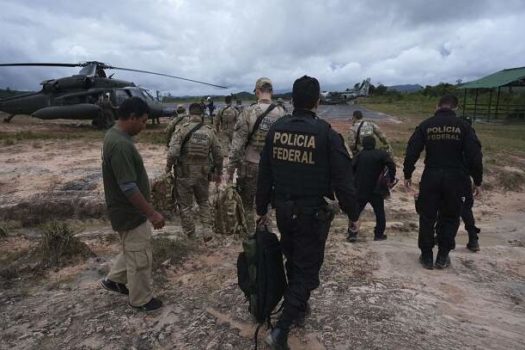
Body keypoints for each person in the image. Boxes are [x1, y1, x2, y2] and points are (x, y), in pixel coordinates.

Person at [256, 75, 359, 349]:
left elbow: (264, 173)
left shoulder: (276, 130)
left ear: (291, 99)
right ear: (317, 101)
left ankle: (298, 309)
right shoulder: (326, 134)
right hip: (312, 214)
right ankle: (281, 330)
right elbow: (343, 179)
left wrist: (260, 207)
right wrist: (353, 213)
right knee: (307, 272)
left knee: (293, 259)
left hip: (283, 210)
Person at [100, 97, 165, 311]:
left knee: (132, 248)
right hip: (130, 212)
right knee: (139, 255)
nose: (144, 126)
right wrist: (152, 214)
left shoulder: (115, 135)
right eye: (143, 121)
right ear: (132, 117)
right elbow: (128, 187)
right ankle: (141, 300)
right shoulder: (120, 145)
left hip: (125, 210)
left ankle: (114, 280)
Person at [404, 94, 483, 270]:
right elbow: (475, 157)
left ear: (437, 106)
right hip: (456, 178)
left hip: (431, 175)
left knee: (427, 216)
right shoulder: (464, 126)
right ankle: (442, 256)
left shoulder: (426, 125)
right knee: (450, 217)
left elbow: (411, 152)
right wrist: (477, 181)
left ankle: (426, 256)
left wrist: (407, 174)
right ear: (456, 108)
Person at [227, 77, 286, 232]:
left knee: (247, 205)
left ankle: (251, 238)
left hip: (250, 166)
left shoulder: (248, 112)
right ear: (271, 92)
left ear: (258, 92)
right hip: (274, 168)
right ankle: (267, 235)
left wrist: (229, 172)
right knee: (267, 205)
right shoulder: (282, 113)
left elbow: (237, 146)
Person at [166, 103, 223, 240]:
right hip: (203, 173)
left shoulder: (181, 130)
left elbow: (173, 152)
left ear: (189, 114)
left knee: (185, 206)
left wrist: (168, 167)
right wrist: (218, 171)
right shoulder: (209, 131)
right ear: (202, 114)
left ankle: (190, 234)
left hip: (184, 173)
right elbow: (219, 155)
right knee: (203, 201)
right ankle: (207, 230)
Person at [347, 135, 396, 242]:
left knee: (355, 212)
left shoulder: (359, 155)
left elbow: (350, 169)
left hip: (360, 189)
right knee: (379, 213)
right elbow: (392, 164)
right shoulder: (381, 154)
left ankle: (352, 234)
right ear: (374, 144)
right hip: (376, 189)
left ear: (363, 144)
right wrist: (391, 178)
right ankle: (378, 235)